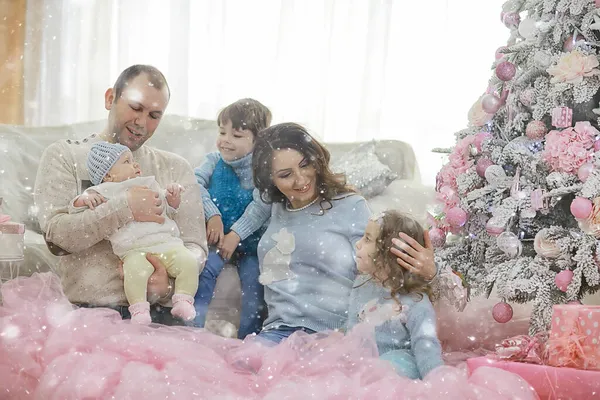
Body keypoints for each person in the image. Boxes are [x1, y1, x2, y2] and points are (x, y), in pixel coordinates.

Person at [34, 65, 207, 325]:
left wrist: (168, 287)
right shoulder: (65, 156)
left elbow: (195, 246)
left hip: (160, 317)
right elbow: (57, 237)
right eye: (136, 108)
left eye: (154, 115)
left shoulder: (175, 168)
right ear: (109, 99)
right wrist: (124, 207)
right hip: (89, 314)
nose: (142, 122)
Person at [251, 122, 439, 344]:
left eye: (305, 165)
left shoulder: (350, 206)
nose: (300, 179)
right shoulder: (272, 208)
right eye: (285, 174)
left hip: (336, 333)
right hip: (277, 332)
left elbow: (385, 266)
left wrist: (429, 273)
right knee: (242, 370)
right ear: (270, 179)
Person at [70, 142, 200, 323]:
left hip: (167, 244)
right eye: (127, 162)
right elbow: (75, 211)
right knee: (134, 273)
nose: (136, 165)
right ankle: (139, 310)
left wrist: (172, 198)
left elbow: (166, 207)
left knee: (188, 261)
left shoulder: (147, 183)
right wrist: (83, 199)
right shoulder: (102, 191)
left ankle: (184, 299)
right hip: (134, 250)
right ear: (108, 175)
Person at [193, 98, 272, 338]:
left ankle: (249, 339)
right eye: (222, 132)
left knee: (256, 283)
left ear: (257, 140)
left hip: (249, 243)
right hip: (216, 239)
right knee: (203, 270)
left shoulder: (262, 169)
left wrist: (236, 234)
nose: (225, 140)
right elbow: (193, 184)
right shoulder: (213, 160)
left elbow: (262, 206)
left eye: (236, 136)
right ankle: (192, 331)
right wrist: (212, 214)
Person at [349, 210, 443, 379]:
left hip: (396, 370)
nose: (358, 244)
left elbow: (426, 345)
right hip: (362, 363)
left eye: (367, 239)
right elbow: (352, 329)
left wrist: (436, 383)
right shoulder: (361, 284)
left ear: (389, 254)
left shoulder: (416, 302)